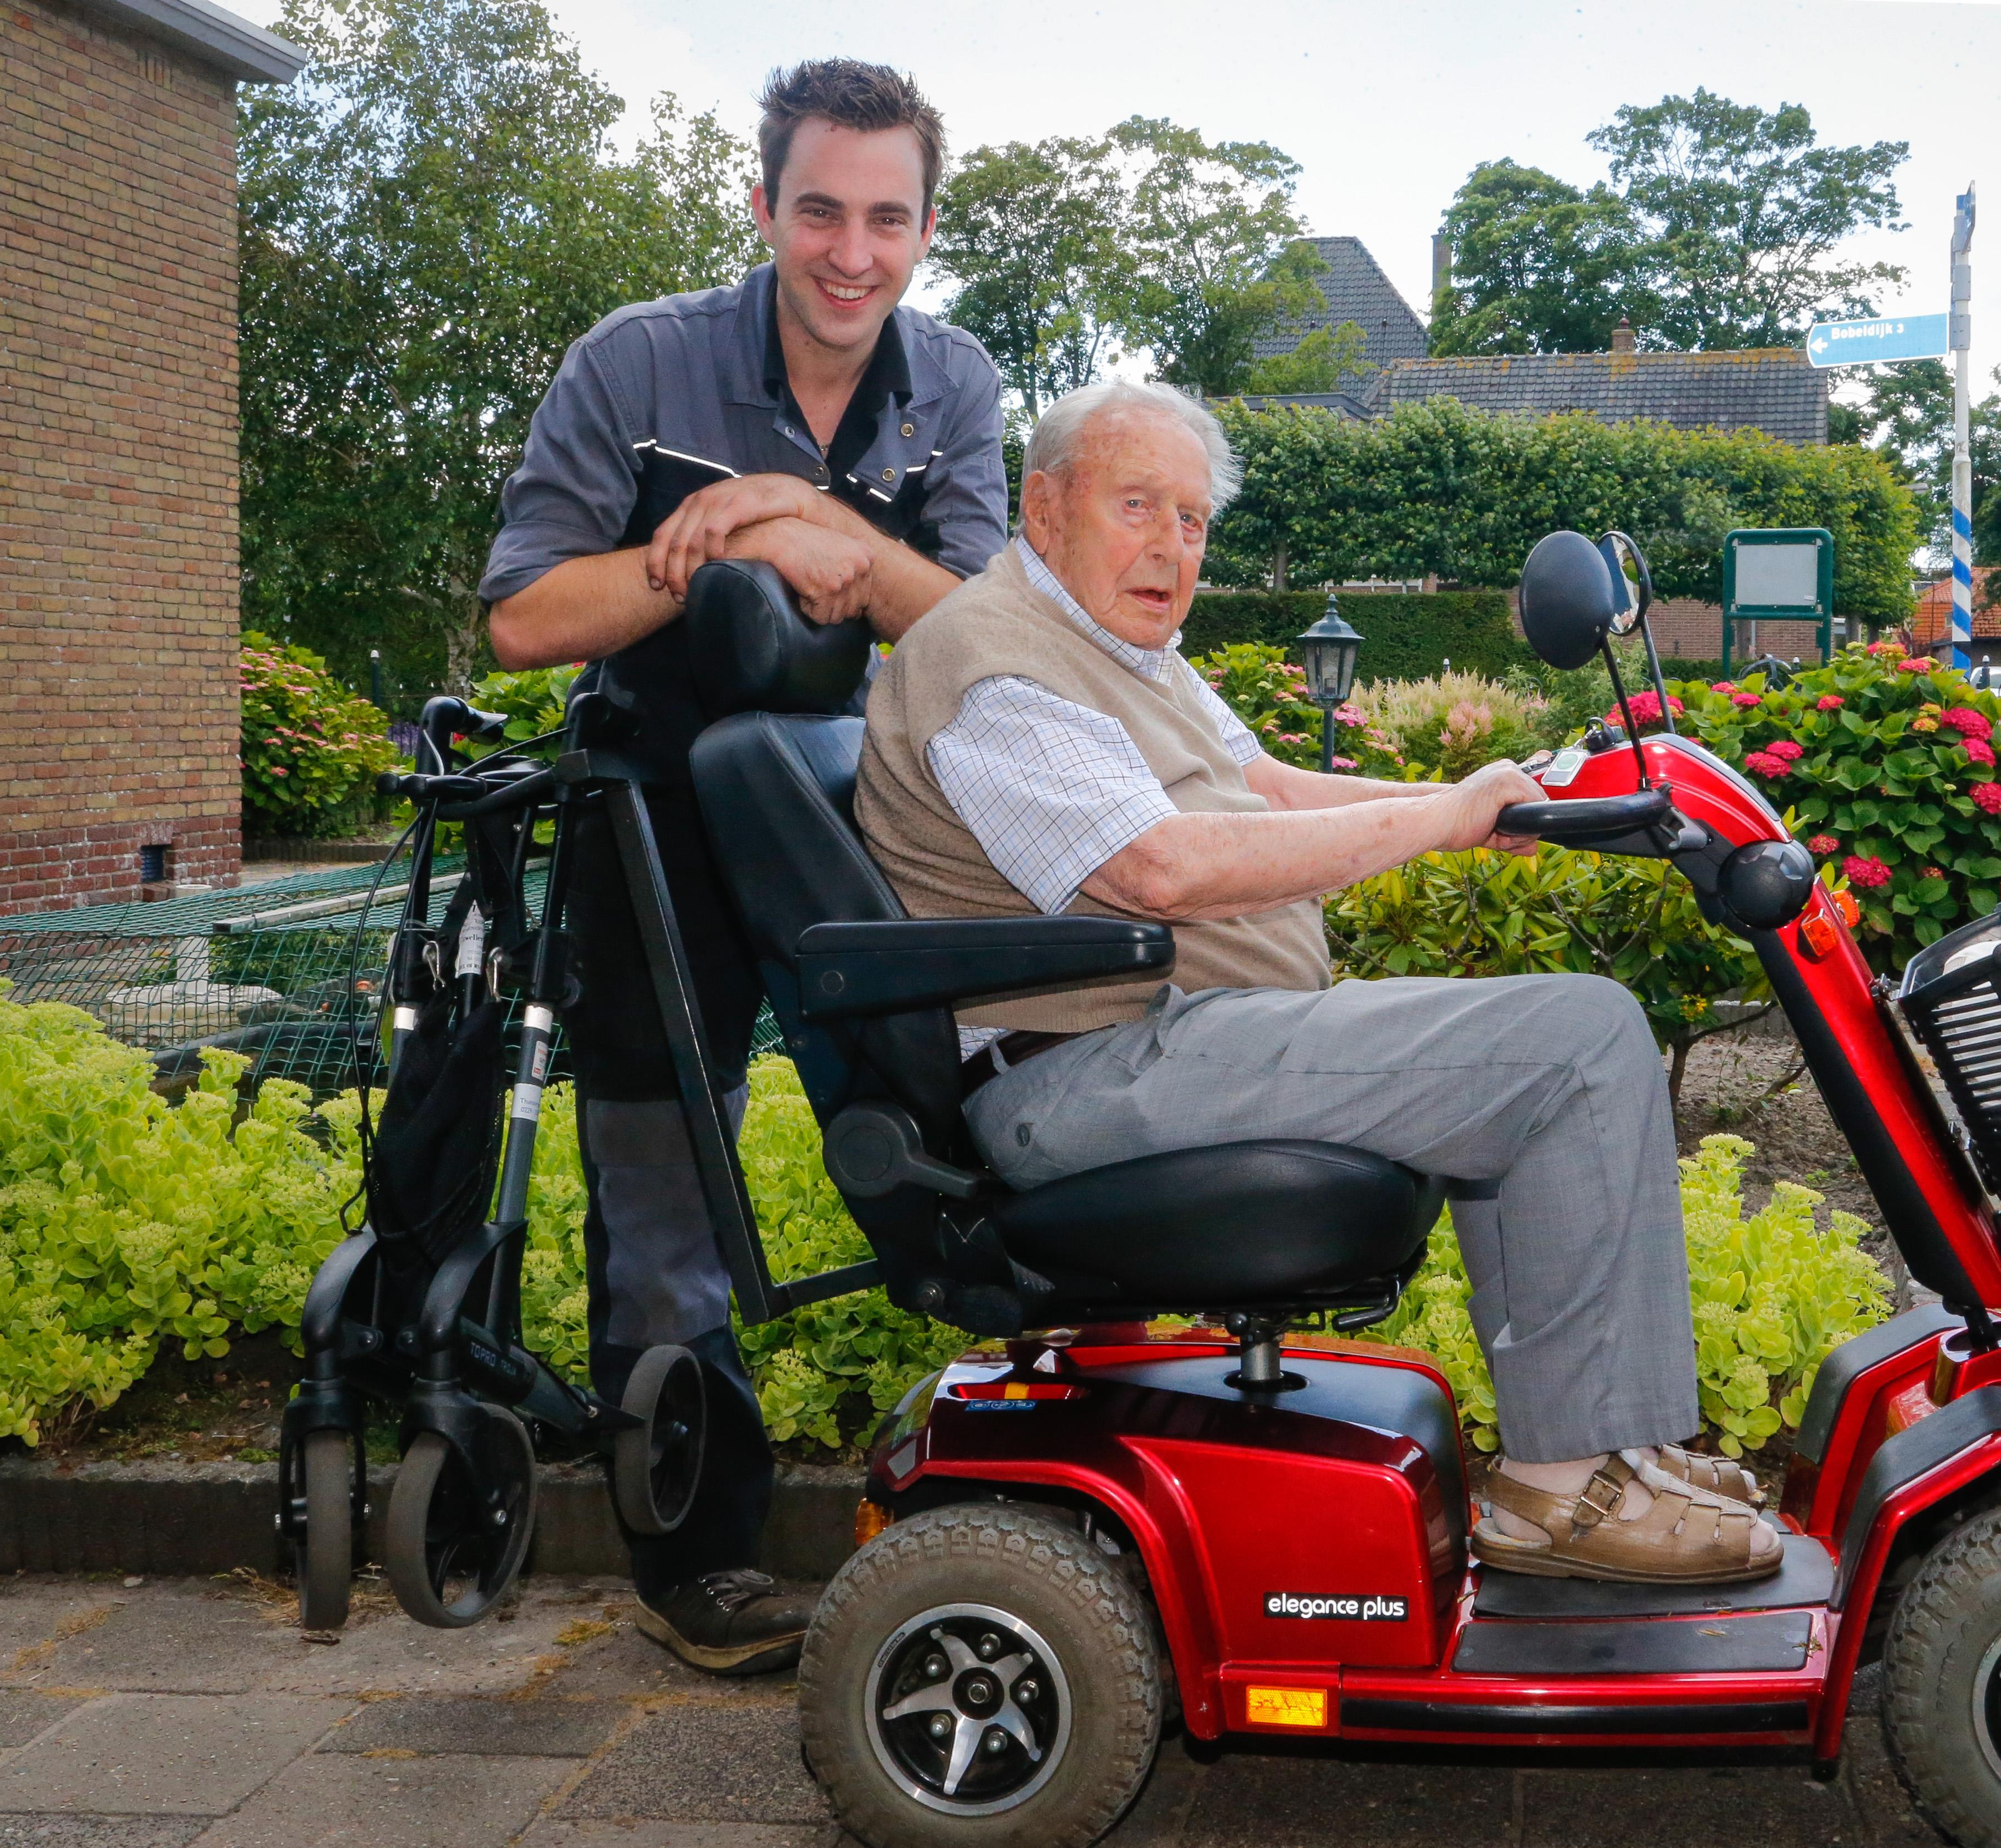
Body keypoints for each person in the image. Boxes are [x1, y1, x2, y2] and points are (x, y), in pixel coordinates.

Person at [852, 380, 1784, 1585]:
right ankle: (1566, 1488)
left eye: (1192, 521)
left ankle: (1607, 1445)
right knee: (1582, 1037)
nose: (1172, 547)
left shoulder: (1118, 649)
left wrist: (1493, 803)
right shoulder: (994, 665)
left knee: (1547, 1052)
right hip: (1089, 1068)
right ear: (1044, 508)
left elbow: (1270, 788)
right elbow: (1161, 866)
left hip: (1174, 1043)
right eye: (1139, 506)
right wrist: (1442, 816)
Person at [478, 58, 1008, 1672]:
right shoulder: (636, 362)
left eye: (889, 218)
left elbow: (996, 638)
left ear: (925, 226)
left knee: (955, 1130)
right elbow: (517, 620)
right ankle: (694, 1556)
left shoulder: (959, 386)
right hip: (650, 813)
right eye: (821, 210)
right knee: (660, 1192)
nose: (853, 253)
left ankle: (997, 1487)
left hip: (866, 807)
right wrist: (706, 545)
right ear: (765, 206)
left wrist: (814, 514)